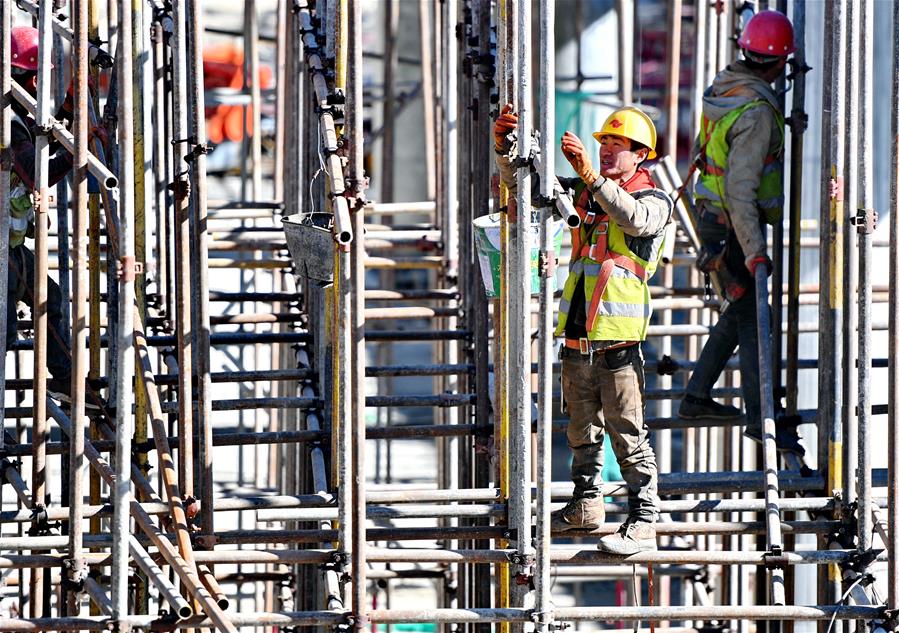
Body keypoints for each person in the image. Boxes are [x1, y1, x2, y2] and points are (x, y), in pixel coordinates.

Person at [493, 104, 673, 555]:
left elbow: (632, 218)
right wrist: (504, 147)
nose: (607, 150)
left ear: (641, 155)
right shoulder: (587, 192)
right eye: (604, 144)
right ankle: (586, 505)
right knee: (580, 431)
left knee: (627, 434)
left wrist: (592, 177)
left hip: (617, 342)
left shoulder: (654, 200)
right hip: (577, 336)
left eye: (618, 145)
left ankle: (643, 519)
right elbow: (525, 189)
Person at [676, 10, 802, 454]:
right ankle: (759, 415)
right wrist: (754, 250)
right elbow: (740, 188)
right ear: (779, 64)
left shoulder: (724, 86)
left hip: (713, 216)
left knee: (741, 310)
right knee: (754, 321)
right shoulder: (756, 113)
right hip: (732, 224)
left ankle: (695, 396)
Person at [7, 25, 102, 409]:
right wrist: (79, 151)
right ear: (30, 77)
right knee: (5, 332)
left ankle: (66, 382)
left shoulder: (16, 112)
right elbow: (34, 170)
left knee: (51, 299)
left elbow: (36, 142)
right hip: (1, 250)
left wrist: (68, 109)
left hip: (10, 244)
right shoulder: (7, 122)